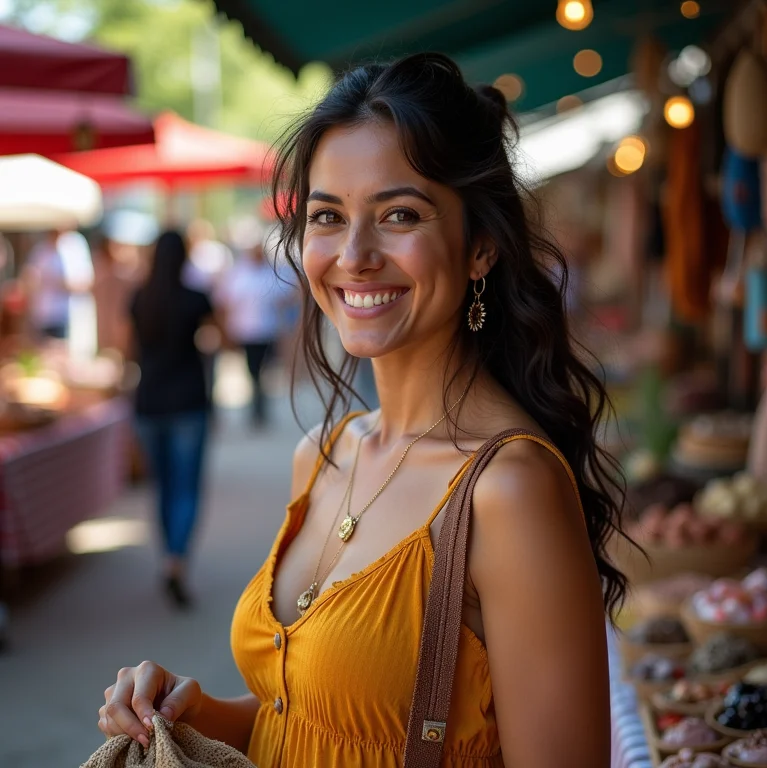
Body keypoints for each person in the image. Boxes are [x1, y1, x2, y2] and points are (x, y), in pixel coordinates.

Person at [97, 54, 625, 767]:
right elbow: (321, 724)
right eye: (327, 216)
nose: (354, 254)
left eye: (398, 214)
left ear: (480, 248)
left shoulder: (509, 489)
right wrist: (193, 712)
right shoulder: (321, 453)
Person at [129, 230, 214, 609]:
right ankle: (176, 560)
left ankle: (168, 555)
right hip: (189, 401)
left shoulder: (139, 300)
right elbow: (223, 339)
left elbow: (125, 349)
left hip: (149, 402)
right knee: (187, 489)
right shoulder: (196, 298)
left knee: (162, 487)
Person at [215, 226, 297, 426]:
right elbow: (225, 302)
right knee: (253, 371)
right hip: (246, 331)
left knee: (263, 371)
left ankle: (260, 409)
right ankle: (257, 408)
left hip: (267, 331)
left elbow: (289, 295)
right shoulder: (239, 274)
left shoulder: (270, 273)